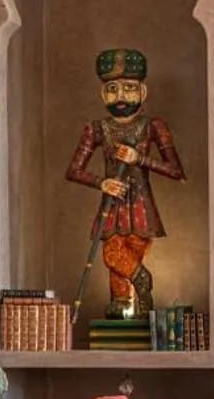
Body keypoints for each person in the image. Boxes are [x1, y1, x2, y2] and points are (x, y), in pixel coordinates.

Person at [64, 48, 185, 317]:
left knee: (122, 258)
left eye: (129, 88)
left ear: (143, 92)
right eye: (112, 88)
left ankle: (127, 305)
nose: (120, 96)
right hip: (112, 203)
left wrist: (139, 158)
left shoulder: (153, 126)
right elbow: (73, 170)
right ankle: (133, 292)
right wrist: (102, 183)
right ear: (102, 94)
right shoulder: (96, 128)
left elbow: (176, 171)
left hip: (141, 206)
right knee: (113, 254)